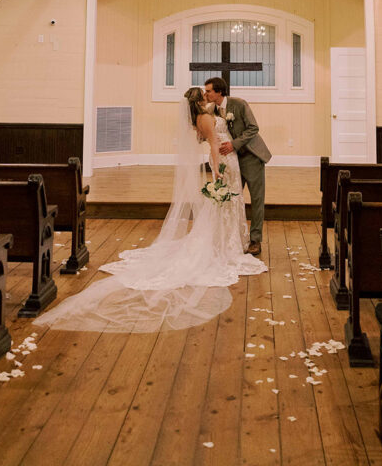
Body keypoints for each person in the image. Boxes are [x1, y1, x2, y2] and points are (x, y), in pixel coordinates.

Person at [35, 87, 266, 334]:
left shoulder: (206, 114)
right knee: (226, 203)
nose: (207, 94)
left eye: (209, 91)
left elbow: (207, 133)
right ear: (200, 100)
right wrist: (217, 169)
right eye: (204, 93)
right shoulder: (207, 117)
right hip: (223, 160)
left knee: (228, 204)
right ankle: (225, 242)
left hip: (229, 158)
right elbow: (211, 142)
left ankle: (228, 239)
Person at [203, 77, 271, 257]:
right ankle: (233, 236)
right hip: (231, 161)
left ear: (219, 92)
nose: (206, 94)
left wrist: (234, 144)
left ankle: (255, 240)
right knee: (232, 198)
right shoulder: (211, 110)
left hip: (251, 156)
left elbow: (253, 128)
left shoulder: (239, 104)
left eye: (209, 91)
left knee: (256, 199)